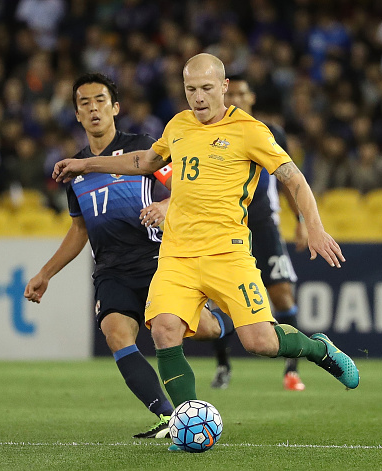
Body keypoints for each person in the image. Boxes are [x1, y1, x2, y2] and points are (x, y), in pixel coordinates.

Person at [52, 55, 359, 449]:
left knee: (260, 343)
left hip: (227, 254)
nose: (198, 98)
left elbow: (293, 178)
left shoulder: (250, 131)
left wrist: (313, 226)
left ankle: (319, 349)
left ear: (224, 86)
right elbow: (145, 161)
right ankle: (187, 427)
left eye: (206, 89)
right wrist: (84, 164)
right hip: (177, 254)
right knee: (164, 330)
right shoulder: (177, 125)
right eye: (190, 90)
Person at [25, 73, 233, 439]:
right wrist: (45, 273)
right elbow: (80, 230)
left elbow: (187, 186)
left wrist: (167, 206)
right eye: (84, 103)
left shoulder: (144, 149)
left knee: (203, 329)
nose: (93, 108)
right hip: (111, 269)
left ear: (115, 107)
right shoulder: (75, 170)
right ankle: (170, 418)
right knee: (115, 332)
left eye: (100, 100)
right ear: (76, 114)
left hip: (157, 261)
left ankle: (222, 322)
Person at [140, 75, 308, 391]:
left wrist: (301, 220)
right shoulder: (198, 131)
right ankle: (223, 367)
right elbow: (180, 179)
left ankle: (292, 368)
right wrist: (168, 202)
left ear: (251, 98)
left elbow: (288, 180)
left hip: (261, 223)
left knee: (281, 293)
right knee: (216, 303)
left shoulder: (265, 133)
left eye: (246, 94)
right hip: (217, 230)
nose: (240, 99)